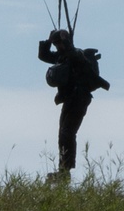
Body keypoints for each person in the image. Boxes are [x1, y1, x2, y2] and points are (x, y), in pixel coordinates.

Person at [38, 28, 110, 175]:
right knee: (62, 133)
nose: (58, 47)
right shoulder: (62, 56)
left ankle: (65, 169)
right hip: (70, 99)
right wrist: (48, 40)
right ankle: (63, 168)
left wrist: (65, 40)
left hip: (79, 98)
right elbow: (43, 56)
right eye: (56, 44)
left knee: (68, 133)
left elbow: (72, 53)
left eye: (60, 44)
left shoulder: (77, 54)